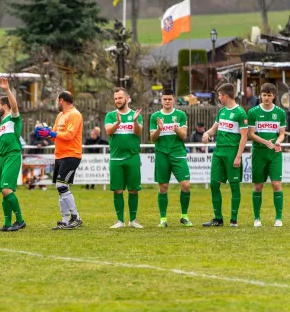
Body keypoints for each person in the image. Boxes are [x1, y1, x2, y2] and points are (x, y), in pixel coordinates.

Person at [202, 83, 248, 227]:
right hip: (218, 151)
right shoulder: (222, 112)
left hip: (232, 152)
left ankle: (233, 219)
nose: (219, 98)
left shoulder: (240, 113)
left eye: (220, 95)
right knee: (214, 184)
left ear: (225, 95)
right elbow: (214, 129)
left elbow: (244, 137)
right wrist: (207, 133)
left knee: (234, 186)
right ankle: (218, 219)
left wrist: (238, 156)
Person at [36, 92, 83, 229]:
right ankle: (65, 220)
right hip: (59, 155)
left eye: (57, 100)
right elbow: (56, 136)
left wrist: (52, 133)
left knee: (61, 185)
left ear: (62, 100)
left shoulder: (75, 114)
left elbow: (69, 135)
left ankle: (76, 217)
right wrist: (46, 133)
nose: (57, 103)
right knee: (61, 188)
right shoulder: (60, 116)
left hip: (71, 155)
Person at [149, 89, 192, 228]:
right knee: (163, 187)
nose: (167, 101)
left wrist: (176, 129)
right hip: (161, 153)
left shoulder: (181, 115)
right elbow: (152, 138)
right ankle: (163, 219)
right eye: (164, 99)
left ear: (174, 99)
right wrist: (159, 129)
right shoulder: (155, 116)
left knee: (185, 185)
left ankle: (184, 216)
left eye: (169, 99)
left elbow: (184, 136)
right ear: (161, 100)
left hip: (177, 153)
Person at [0, 78, 26, 232]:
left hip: (13, 156)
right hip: (4, 158)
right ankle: (7, 223)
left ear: (5, 106)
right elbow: (1, 148)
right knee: (3, 193)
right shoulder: (1, 126)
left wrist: (6, 90)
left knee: (6, 189)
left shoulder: (13, 118)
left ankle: (20, 221)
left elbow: (15, 105)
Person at [105, 87, 143, 229]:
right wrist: (117, 123)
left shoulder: (136, 114)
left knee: (133, 189)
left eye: (120, 98)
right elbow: (109, 131)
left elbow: (138, 133)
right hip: (116, 158)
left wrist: (135, 121)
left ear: (127, 98)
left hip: (132, 157)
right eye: (115, 98)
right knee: (117, 190)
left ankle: (133, 220)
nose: (117, 100)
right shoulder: (110, 115)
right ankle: (119, 221)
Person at [248, 83, 285, 227]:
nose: (267, 98)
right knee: (258, 186)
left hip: (274, 153)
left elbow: (281, 134)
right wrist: (265, 142)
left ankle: (279, 218)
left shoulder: (280, 113)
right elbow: (251, 134)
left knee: (276, 184)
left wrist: (276, 143)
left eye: (269, 95)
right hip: (259, 152)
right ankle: (257, 218)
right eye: (264, 95)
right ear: (260, 96)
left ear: (274, 96)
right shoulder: (253, 112)